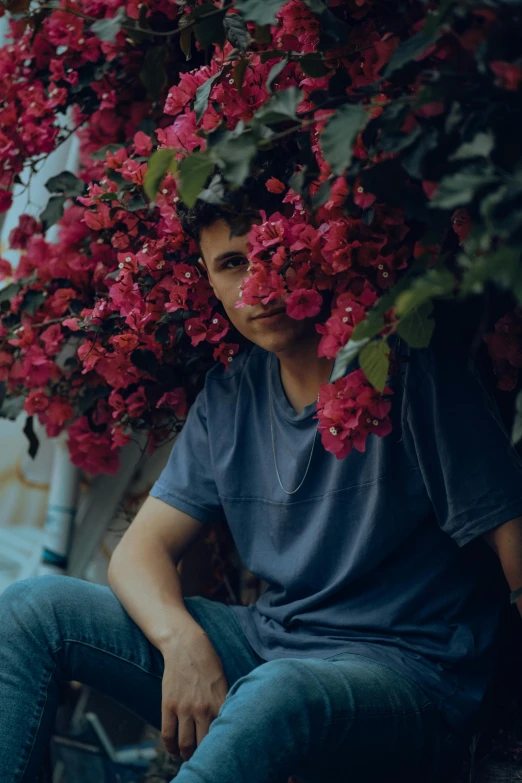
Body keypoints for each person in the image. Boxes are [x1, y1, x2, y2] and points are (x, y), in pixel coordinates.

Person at [1, 196, 522, 783]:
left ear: (315, 253)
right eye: (231, 265)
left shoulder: (405, 367)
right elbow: (138, 553)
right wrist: (183, 644)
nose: (259, 283)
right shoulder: (229, 397)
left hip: (407, 677)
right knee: (29, 610)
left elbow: (511, 537)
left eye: (273, 256)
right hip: (270, 646)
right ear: (211, 283)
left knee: (277, 689)